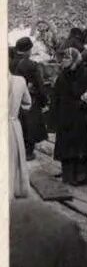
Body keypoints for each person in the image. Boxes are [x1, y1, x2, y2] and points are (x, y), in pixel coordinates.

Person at [50, 47, 87, 186]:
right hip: (66, 115)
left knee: (81, 145)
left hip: (82, 115)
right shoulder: (63, 76)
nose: (63, 61)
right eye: (64, 58)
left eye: (67, 58)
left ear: (74, 59)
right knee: (69, 145)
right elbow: (56, 97)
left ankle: (81, 175)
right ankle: (69, 176)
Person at [10, 39, 48, 161]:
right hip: (29, 100)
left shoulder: (9, 62)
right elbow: (40, 86)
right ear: (27, 50)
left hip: (12, 100)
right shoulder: (31, 65)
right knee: (30, 128)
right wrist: (44, 101)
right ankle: (28, 153)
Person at [12, 69, 34, 199]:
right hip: (13, 124)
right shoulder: (19, 81)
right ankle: (16, 187)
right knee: (15, 156)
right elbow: (27, 103)